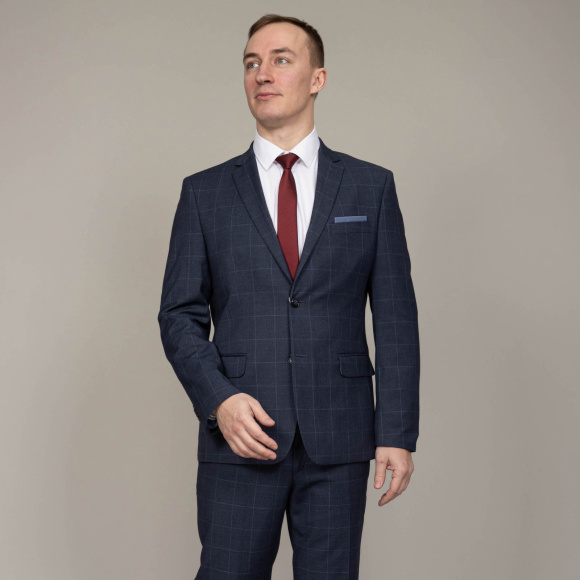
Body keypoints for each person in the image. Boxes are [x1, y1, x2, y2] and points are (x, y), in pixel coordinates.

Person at [158, 13, 420, 579]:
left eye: (281, 60)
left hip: (340, 437)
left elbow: (396, 319)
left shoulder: (370, 187)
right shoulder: (204, 193)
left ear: (317, 78)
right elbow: (178, 315)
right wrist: (220, 400)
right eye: (251, 63)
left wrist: (396, 433)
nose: (263, 73)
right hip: (241, 434)